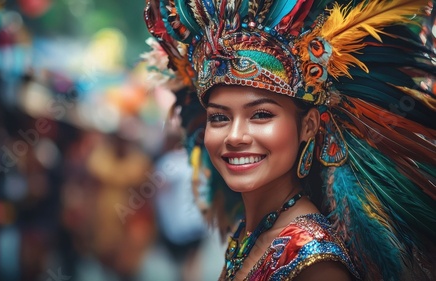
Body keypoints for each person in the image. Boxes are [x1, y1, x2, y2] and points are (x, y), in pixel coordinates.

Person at [142, 0, 436, 280]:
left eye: (260, 115)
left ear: (308, 126)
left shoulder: (314, 262)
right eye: (219, 118)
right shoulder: (252, 231)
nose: (234, 137)